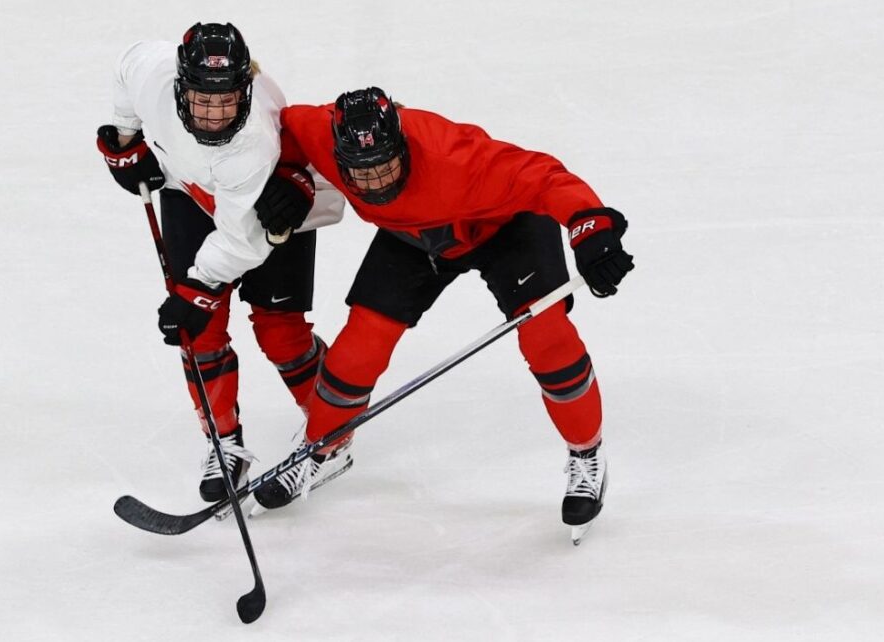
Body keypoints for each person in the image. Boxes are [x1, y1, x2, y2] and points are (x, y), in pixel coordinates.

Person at [253, 87, 634, 542]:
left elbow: (545, 176)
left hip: (502, 228)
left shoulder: (457, 158)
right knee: (360, 347)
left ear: (403, 147)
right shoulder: (321, 129)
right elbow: (286, 130)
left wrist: (591, 227)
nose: (375, 184)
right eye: (362, 173)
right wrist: (294, 177)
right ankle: (323, 449)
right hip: (411, 238)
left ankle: (586, 453)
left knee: (547, 338)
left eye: (385, 167)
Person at [94, 22, 347, 503]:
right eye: (203, 100)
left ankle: (333, 436)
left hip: (275, 204)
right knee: (200, 333)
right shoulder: (154, 77)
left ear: (245, 92)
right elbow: (128, 63)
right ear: (180, 87)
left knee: (281, 333)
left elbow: (244, 240)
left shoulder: (252, 144)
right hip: (192, 191)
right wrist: (128, 142)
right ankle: (223, 440)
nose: (214, 114)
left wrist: (196, 289)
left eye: (226, 101)